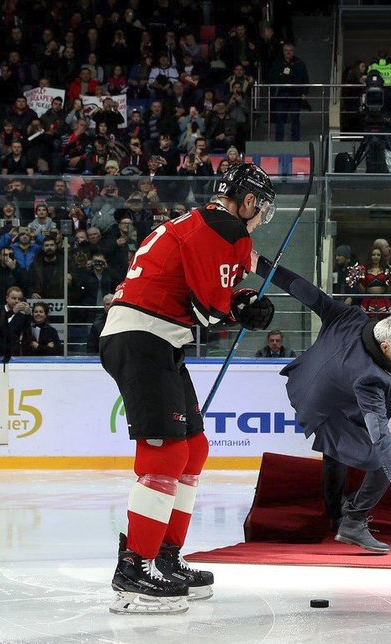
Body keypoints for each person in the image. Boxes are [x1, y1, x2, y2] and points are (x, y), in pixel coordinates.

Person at [99, 164, 279, 615]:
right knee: (165, 454)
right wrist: (243, 310)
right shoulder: (227, 231)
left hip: (154, 338)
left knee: (192, 447)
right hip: (143, 338)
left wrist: (239, 303)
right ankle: (134, 569)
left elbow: (204, 296)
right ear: (249, 201)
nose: (260, 219)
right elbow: (209, 314)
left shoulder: (201, 223)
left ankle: (164, 555)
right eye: (262, 209)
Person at [255, 252, 391, 553]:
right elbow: (378, 430)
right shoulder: (369, 377)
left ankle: (336, 516)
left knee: (336, 453)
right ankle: (353, 521)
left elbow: (307, 292)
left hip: (314, 388)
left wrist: (263, 267)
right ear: (385, 346)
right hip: (328, 409)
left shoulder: (351, 318)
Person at [0, 286, 32, 359]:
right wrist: (12, 312)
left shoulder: (21, 316)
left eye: (19, 299)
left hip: (14, 355)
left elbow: (27, 334)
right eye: (14, 298)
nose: (17, 301)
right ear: (7, 298)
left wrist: (28, 315)